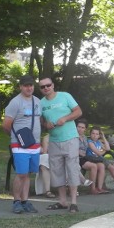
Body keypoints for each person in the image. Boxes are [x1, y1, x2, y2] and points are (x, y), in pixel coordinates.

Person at [39, 77, 83, 212]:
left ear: (53, 85)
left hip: (70, 138)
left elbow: (78, 112)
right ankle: (62, 201)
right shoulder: (41, 103)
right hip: (54, 140)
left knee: (72, 169)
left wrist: (65, 118)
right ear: (40, 89)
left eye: (48, 85)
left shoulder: (65, 96)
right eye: (43, 87)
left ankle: (74, 202)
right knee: (57, 171)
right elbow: (42, 121)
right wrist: (47, 124)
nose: (46, 88)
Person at [2, 76, 41, 214]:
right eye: (26, 85)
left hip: (35, 144)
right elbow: (6, 125)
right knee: (21, 173)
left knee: (29, 173)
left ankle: (25, 201)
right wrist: (16, 138)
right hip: (19, 145)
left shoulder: (37, 101)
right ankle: (16, 201)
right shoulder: (15, 102)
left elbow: (39, 119)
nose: (29, 88)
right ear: (20, 87)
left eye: (31, 85)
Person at [77, 120, 107, 194]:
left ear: (85, 129)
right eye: (78, 127)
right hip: (78, 159)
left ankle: (99, 188)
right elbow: (73, 149)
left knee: (101, 165)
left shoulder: (84, 138)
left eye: (82, 127)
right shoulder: (73, 137)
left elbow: (106, 147)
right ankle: (92, 189)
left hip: (86, 158)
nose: (80, 129)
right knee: (93, 166)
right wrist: (81, 153)